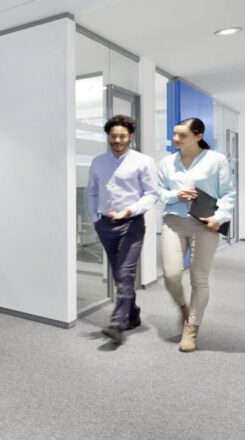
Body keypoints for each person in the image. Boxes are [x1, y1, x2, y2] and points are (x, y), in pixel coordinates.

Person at [157, 117, 235, 352]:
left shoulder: (216, 160)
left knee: (199, 279)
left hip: (204, 225)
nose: (176, 138)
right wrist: (176, 195)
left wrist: (219, 217)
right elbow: (159, 191)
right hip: (173, 223)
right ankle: (184, 309)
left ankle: (191, 329)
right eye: (175, 133)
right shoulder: (167, 162)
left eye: (182, 135)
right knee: (171, 275)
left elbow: (228, 194)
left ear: (198, 136)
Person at [86, 114, 159, 345]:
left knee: (125, 273)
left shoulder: (143, 161)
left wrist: (129, 211)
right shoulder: (98, 162)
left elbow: (152, 194)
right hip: (105, 225)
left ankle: (117, 323)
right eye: (113, 136)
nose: (117, 140)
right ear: (108, 136)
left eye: (122, 136)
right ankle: (133, 313)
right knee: (119, 274)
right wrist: (95, 218)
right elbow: (92, 191)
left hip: (131, 225)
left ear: (130, 137)